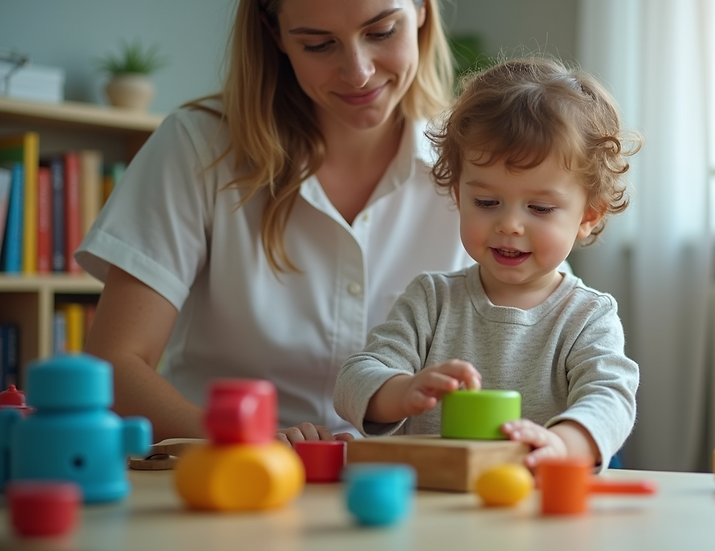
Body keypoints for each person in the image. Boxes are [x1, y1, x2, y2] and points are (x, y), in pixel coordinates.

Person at [76, 0, 472, 446]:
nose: (358, 71)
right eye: (319, 45)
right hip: (226, 473)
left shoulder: (476, 163)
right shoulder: (198, 148)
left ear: (422, 10)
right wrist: (244, 439)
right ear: (275, 32)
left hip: (406, 487)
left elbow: (560, 328)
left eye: (381, 32)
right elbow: (116, 363)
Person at [334, 57, 642, 470]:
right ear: (459, 198)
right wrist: (403, 390)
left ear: (589, 216)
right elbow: (353, 380)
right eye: (487, 202)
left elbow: (610, 398)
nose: (510, 224)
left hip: (535, 505)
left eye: (540, 207)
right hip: (434, 506)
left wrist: (560, 444)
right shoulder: (431, 299)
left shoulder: (588, 315)